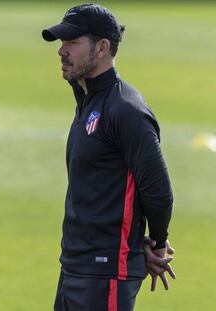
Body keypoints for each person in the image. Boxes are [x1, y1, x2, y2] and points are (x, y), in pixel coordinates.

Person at [42, 4, 175, 311]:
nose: (62, 51)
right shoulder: (87, 98)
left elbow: (158, 190)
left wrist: (155, 243)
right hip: (75, 267)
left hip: (105, 275)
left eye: (72, 43)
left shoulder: (125, 110)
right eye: (62, 43)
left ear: (102, 47)